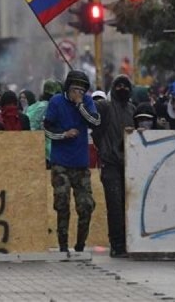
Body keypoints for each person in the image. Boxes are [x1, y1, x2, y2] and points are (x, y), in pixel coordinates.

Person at [44, 69, 101, 253]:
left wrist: (80, 105)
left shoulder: (87, 101)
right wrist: (64, 134)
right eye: (75, 89)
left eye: (82, 90)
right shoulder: (56, 102)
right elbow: (47, 129)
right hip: (60, 162)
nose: (78, 93)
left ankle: (80, 244)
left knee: (85, 205)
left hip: (80, 163)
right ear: (67, 88)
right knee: (62, 203)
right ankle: (62, 245)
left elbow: (95, 121)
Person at [91, 74, 135, 258]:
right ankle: (117, 244)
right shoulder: (105, 107)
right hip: (110, 164)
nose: (122, 89)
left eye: (126, 86)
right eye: (119, 86)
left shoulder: (132, 109)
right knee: (115, 206)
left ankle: (129, 242)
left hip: (130, 165)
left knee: (130, 206)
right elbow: (93, 122)